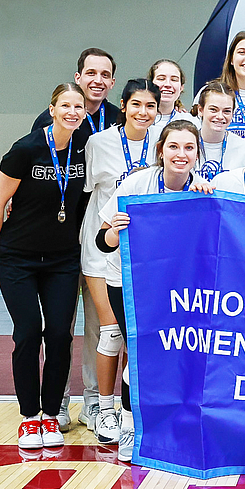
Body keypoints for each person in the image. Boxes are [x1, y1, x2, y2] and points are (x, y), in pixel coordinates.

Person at [96, 119, 212, 462]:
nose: (181, 154)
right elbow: (102, 241)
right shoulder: (136, 184)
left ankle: (173, 423)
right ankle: (131, 424)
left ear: (197, 155)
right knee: (141, 352)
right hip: (129, 282)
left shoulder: (204, 191)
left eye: (189, 148)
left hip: (178, 287)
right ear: (160, 151)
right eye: (173, 146)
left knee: (178, 352)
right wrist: (115, 233)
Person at [0, 83, 88, 450]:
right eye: (65, 105)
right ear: (53, 108)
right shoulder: (25, 150)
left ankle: (50, 413)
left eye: (78, 106)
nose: (73, 111)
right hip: (17, 257)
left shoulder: (84, 151)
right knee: (28, 331)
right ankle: (29, 417)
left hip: (62, 259)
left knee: (59, 334)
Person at [30, 48, 118, 432]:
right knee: (60, 324)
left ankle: (96, 401)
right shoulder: (51, 119)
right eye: (90, 73)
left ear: (112, 81)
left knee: (102, 323)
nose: (97, 80)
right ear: (78, 76)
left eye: (105, 74)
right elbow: (32, 173)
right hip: (62, 236)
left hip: (103, 238)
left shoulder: (119, 118)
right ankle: (58, 400)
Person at [81, 79, 158, 444]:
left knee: (138, 342)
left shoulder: (163, 145)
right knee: (112, 331)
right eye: (136, 104)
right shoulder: (99, 143)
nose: (143, 112)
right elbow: (89, 196)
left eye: (150, 105)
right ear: (123, 105)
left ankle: (132, 413)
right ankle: (103, 408)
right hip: (106, 249)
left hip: (147, 261)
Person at [192, 81, 245, 181]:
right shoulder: (186, 145)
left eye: (226, 111)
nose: (220, 116)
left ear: (233, 113)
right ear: (200, 110)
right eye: (213, 110)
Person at [149, 59, 194, 127]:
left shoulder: (191, 122)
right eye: (161, 79)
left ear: (181, 87)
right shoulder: (137, 119)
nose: (168, 84)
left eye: (174, 80)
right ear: (150, 83)